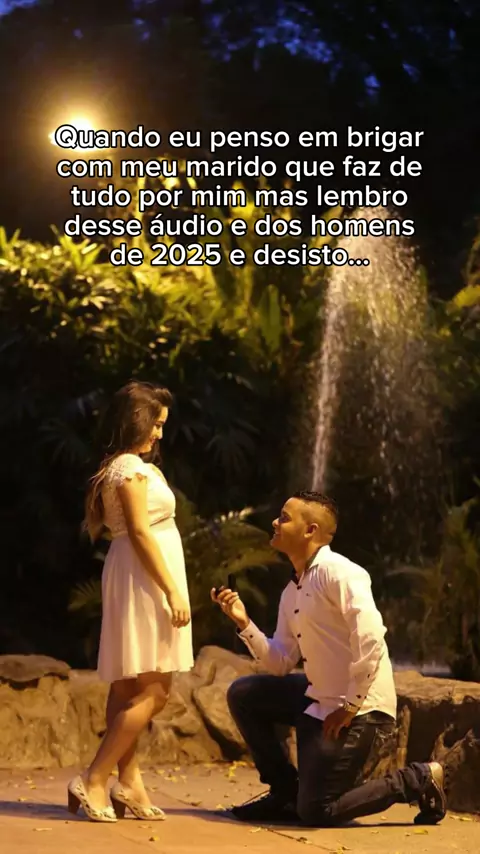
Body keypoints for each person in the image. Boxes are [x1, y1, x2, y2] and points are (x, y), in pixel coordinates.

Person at [211, 490, 446, 827]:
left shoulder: (342, 574)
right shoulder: (291, 592)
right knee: (245, 694)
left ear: (311, 530)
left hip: (361, 709)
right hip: (318, 698)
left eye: (284, 518)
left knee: (316, 811)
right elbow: (280, 662)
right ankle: (284, 792)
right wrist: (243, 622)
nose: (275, 522)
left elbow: (371, 638)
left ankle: (419, 778)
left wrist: (350, 706)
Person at [67, 381, 193, 823]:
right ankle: (94, 778)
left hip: (135, 573)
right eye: (155, 424)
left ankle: (129, 781)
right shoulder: (128, 469)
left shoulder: (128, 466)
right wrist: (172, 589)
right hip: (145, 578)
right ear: (135, 421)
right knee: (155, 691)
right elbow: (139, 531)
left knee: (127, 687)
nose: (159, 433)